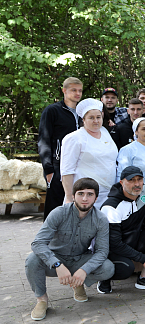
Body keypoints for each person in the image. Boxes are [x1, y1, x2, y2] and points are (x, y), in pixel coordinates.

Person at [26, 178, 115, 321]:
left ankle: (78, 283)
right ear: (73, 196)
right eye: (80, 194)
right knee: (32, 260)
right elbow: (38, 243)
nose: (85, 198)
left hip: (79, 259)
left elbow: (102, 251)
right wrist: (56, 264)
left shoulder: (100, 219)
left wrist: (84, 270)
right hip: (55, 260)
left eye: (90, 194)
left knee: (108, 267)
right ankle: (41, 300)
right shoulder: (59, 213)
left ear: (96, 198)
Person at [100, 167, 145, 293]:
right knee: (126, 269)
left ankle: (144, 279)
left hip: (132, 239)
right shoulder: (111, 207)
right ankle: (103, 278)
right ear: (122, 183)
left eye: (139, 179)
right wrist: (144, 259)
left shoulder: (143, 191)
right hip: (112, 249)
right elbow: (114, 244)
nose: (137, 184)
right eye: (131, 180)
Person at [60, 99, 118, 208]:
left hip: (108, 193)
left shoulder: (105, 132)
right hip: (85, 196)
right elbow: (66, 171)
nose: (96, 121)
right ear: (83, 119)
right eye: (91, 118)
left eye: (98, 117)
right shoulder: (74, 138)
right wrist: (69, 197)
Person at [38, 77, 82, 219]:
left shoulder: (83, 113)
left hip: (79, 164)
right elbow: (44, 140)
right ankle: (48, 234)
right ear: (64, 90)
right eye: (74, 90)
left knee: (76, 204)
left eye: (80, 90)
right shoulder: (52, 111)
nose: (77, 93)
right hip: (58, 165)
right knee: (55, 207)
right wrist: (48, 169)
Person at [116, 118, 145, 183]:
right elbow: (122, 174)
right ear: (136, 131)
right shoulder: (128, 149)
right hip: (137, 187)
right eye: (144, 129)